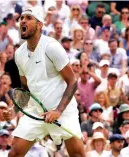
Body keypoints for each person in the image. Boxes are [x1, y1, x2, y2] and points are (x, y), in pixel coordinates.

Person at [8, 8, 86, 157]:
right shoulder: (19, 54)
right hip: (35, 112)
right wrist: (15, 110)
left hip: (62, 111)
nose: (23, 20)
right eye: (22, 18)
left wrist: (58, 111)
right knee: (14, 153)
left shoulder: (52, 47)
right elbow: (25, 88)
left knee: (77, 154)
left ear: (39, 25)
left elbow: (72, 82)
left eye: (29, 18)